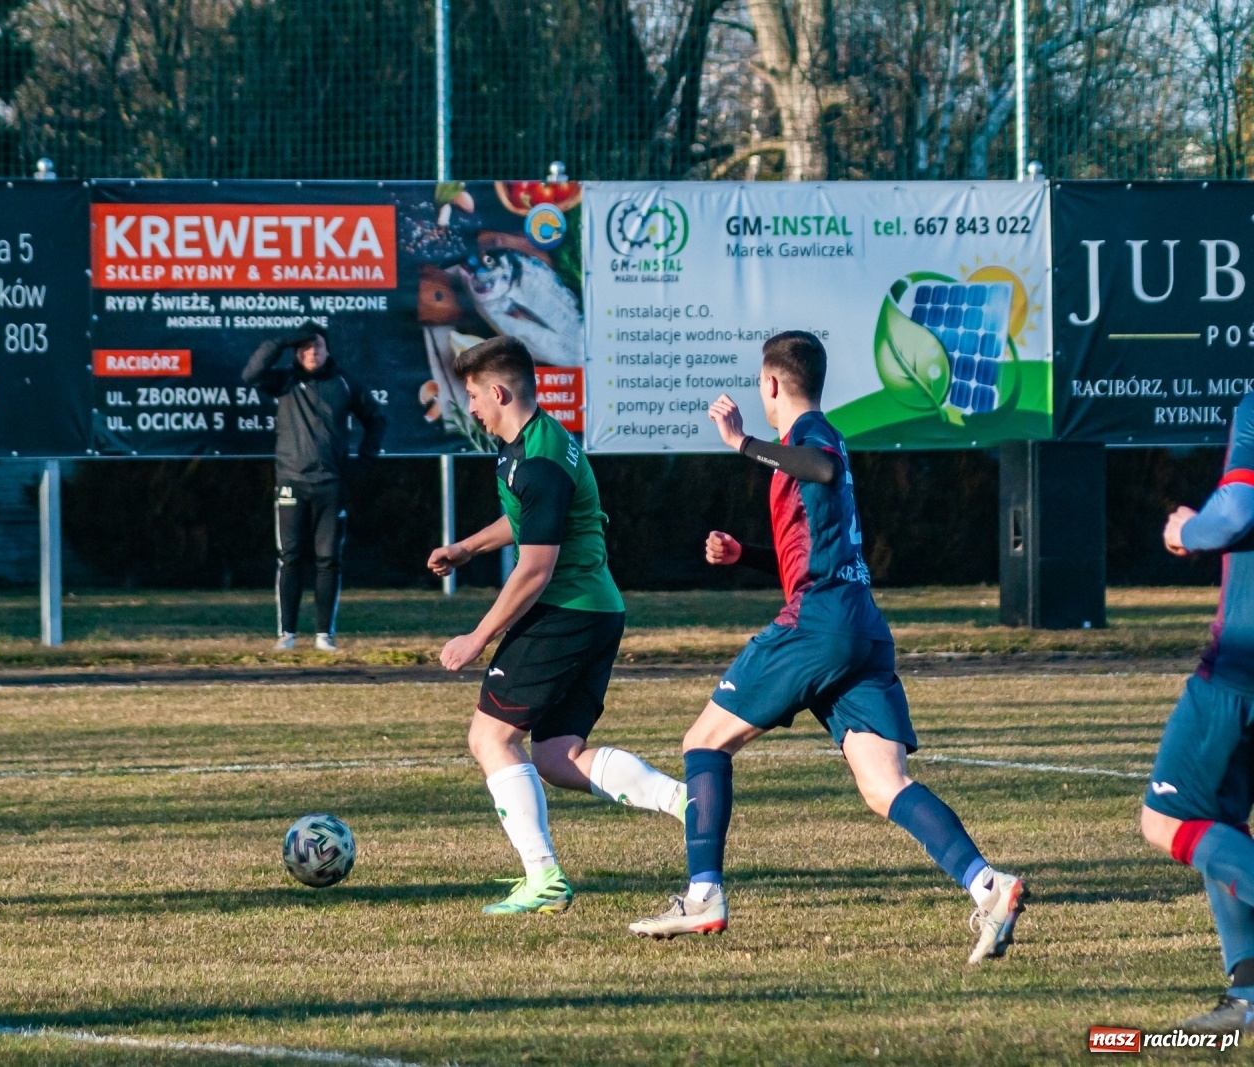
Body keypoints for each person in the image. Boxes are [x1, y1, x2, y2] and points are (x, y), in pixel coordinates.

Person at [628, 331, 1026, 965]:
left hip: (819, 624)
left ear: (772, 385)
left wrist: (741, 445)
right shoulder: (815, 437)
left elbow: (823, 469)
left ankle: (703, 893)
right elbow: (814, 548)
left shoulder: (809, 438)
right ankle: (988, 884)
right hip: (860, 626)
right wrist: (746, 556)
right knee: (883, 785)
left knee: (703, 743)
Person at [427, 335, 686, 915]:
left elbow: (536, 568)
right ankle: (689, 803)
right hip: (596, 610)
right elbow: (527, 519)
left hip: (566, 611)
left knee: (490, 737)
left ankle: (543, 876)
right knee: (557, 755)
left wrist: (478, 637)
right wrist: (468, 546)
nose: (470, 409)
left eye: (473, 397)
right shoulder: (537, 443)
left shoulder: (539, 461)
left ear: (498, 391)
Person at [1143, 390, 1254, 1033]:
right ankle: (1248, 992)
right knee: (1220, 823)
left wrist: (1186, 528)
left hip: (1240, 669)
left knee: (1169, 819)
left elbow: (1235, 513)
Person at [242, 323, 386, 652]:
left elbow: (376, 419)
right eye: (305, 348)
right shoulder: (285, 381)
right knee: (290, 557)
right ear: (296, 351)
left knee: (328, 559)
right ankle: (287, 635)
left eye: (317, 347)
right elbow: (251, 374)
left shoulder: (344, 383)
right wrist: (279, 341)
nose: (312, 353)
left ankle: (324, 635)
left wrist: (362, 462)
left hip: (331, 486)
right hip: (292, 482)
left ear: (327, 350)